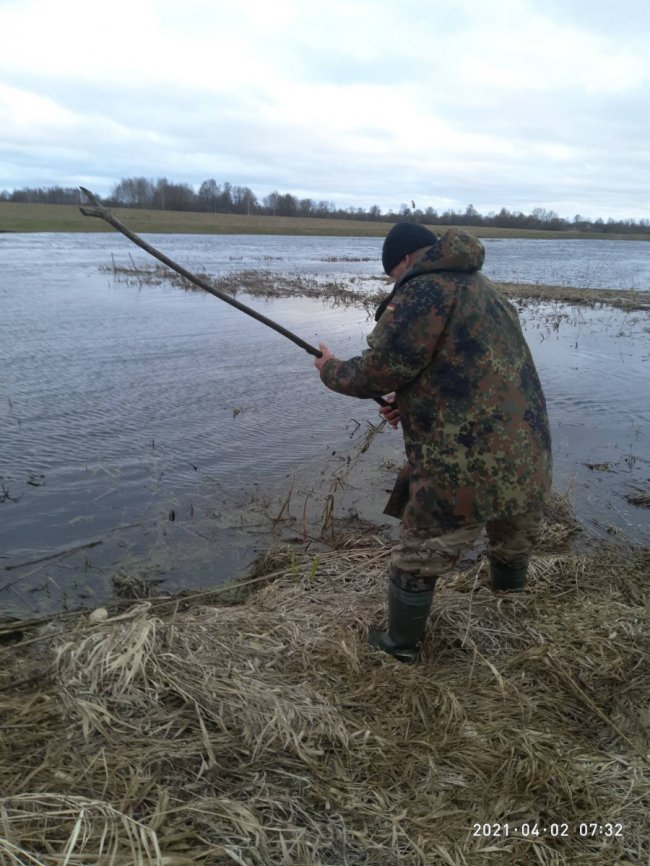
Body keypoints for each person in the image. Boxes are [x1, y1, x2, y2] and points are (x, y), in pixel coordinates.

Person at [314, 222, 552, 664]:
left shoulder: (422, 290)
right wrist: (411, 403)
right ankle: (510, 612)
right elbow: (478, 368)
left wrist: (330, 369)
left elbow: (378, 370)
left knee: (419, 553)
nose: (394, 283)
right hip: (528, 450)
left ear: (403, 259)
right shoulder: (485, 289)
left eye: (391, 275)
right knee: (512, 534)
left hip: (465, 459)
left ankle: (399, 646)